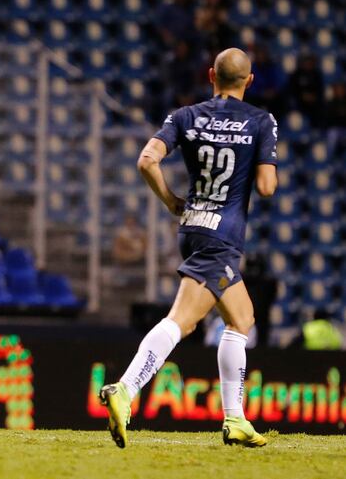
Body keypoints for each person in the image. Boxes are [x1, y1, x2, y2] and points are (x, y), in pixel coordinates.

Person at [99, 48, 278, 448]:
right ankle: (125, 389)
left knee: (241, 318)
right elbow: (266, 187)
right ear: (249, 81)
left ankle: (235, 419)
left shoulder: (185, 116)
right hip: (223, 234)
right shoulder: (260, 121)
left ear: (211, 74)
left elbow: (147, 161)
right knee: (182, 321)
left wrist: (171, 201)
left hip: (193, 226)